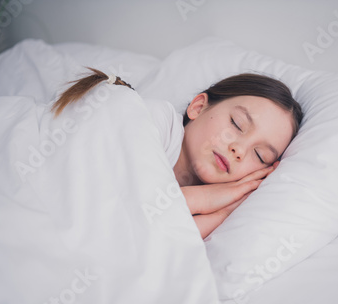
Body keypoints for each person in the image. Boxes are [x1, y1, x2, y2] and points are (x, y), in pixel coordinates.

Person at [51, 68, 303, 238]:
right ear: (198, 106)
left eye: (260, 156)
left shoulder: (214, 210)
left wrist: (227, 210)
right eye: (237, 124)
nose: (239, 149)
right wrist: (207, 198)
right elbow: (122, 209)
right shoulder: (153, 120)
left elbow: (151, 241)